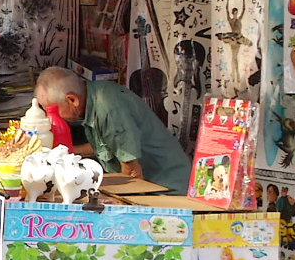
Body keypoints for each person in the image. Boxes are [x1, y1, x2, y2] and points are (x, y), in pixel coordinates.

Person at [34, 66, 190, 193]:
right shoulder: (93, 98)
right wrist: (67, 152)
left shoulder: (107, 107)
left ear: (72, 99)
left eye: (52, 110)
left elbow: (131, 170)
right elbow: (106, 145)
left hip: (169, 188)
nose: (50, 117)